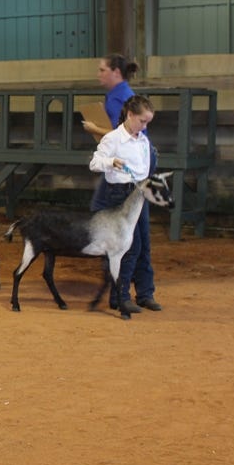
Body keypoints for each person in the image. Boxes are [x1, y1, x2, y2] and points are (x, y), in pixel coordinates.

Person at [83, 53, 161, 313]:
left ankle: (139, 293)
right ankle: (123, 294)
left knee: (139, 243)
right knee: (131, 245)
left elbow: (144, 165)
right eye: (142, 121)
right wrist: (110, 162)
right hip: (120, 192)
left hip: (137, 193)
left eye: (102, 69)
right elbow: (98, 160)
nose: (144, 126)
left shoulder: (140, 138)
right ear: (130, 114)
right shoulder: (117, 135)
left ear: (116, 71)